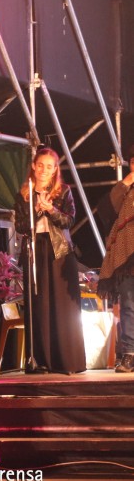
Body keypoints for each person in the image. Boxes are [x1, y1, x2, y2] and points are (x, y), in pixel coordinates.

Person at [14, 148, 86, 374]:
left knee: (63, 307)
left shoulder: (63, 191)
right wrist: (36, 209)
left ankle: (67, 361)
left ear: (55, 169)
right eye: (40, 165)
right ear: (33, 166)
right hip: (35, 251)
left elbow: (68, 221)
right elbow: (21, 226)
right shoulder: (24, 194)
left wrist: (51, 210)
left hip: (59, 251)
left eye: (49, 166)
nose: (44, 170)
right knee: (39, 306)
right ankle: (40, 361)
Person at [98, 145, 134, 371]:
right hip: (128, 258)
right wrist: (127, 182)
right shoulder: (126, 191)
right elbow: (106, 209)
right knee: (129, 305)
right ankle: (130, 353)